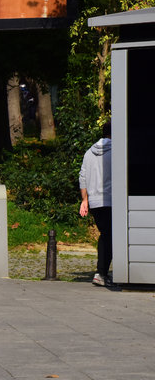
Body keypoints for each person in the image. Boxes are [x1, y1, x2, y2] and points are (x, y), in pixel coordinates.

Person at [79, 121, 112, 286]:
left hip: (95, 202)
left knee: (106, 235)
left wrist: (84, 200)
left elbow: (82, 177)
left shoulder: (89, 153)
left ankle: (102, 272)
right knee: (109, 237)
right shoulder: (117, 151)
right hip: (111, 201)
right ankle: (101, 273)